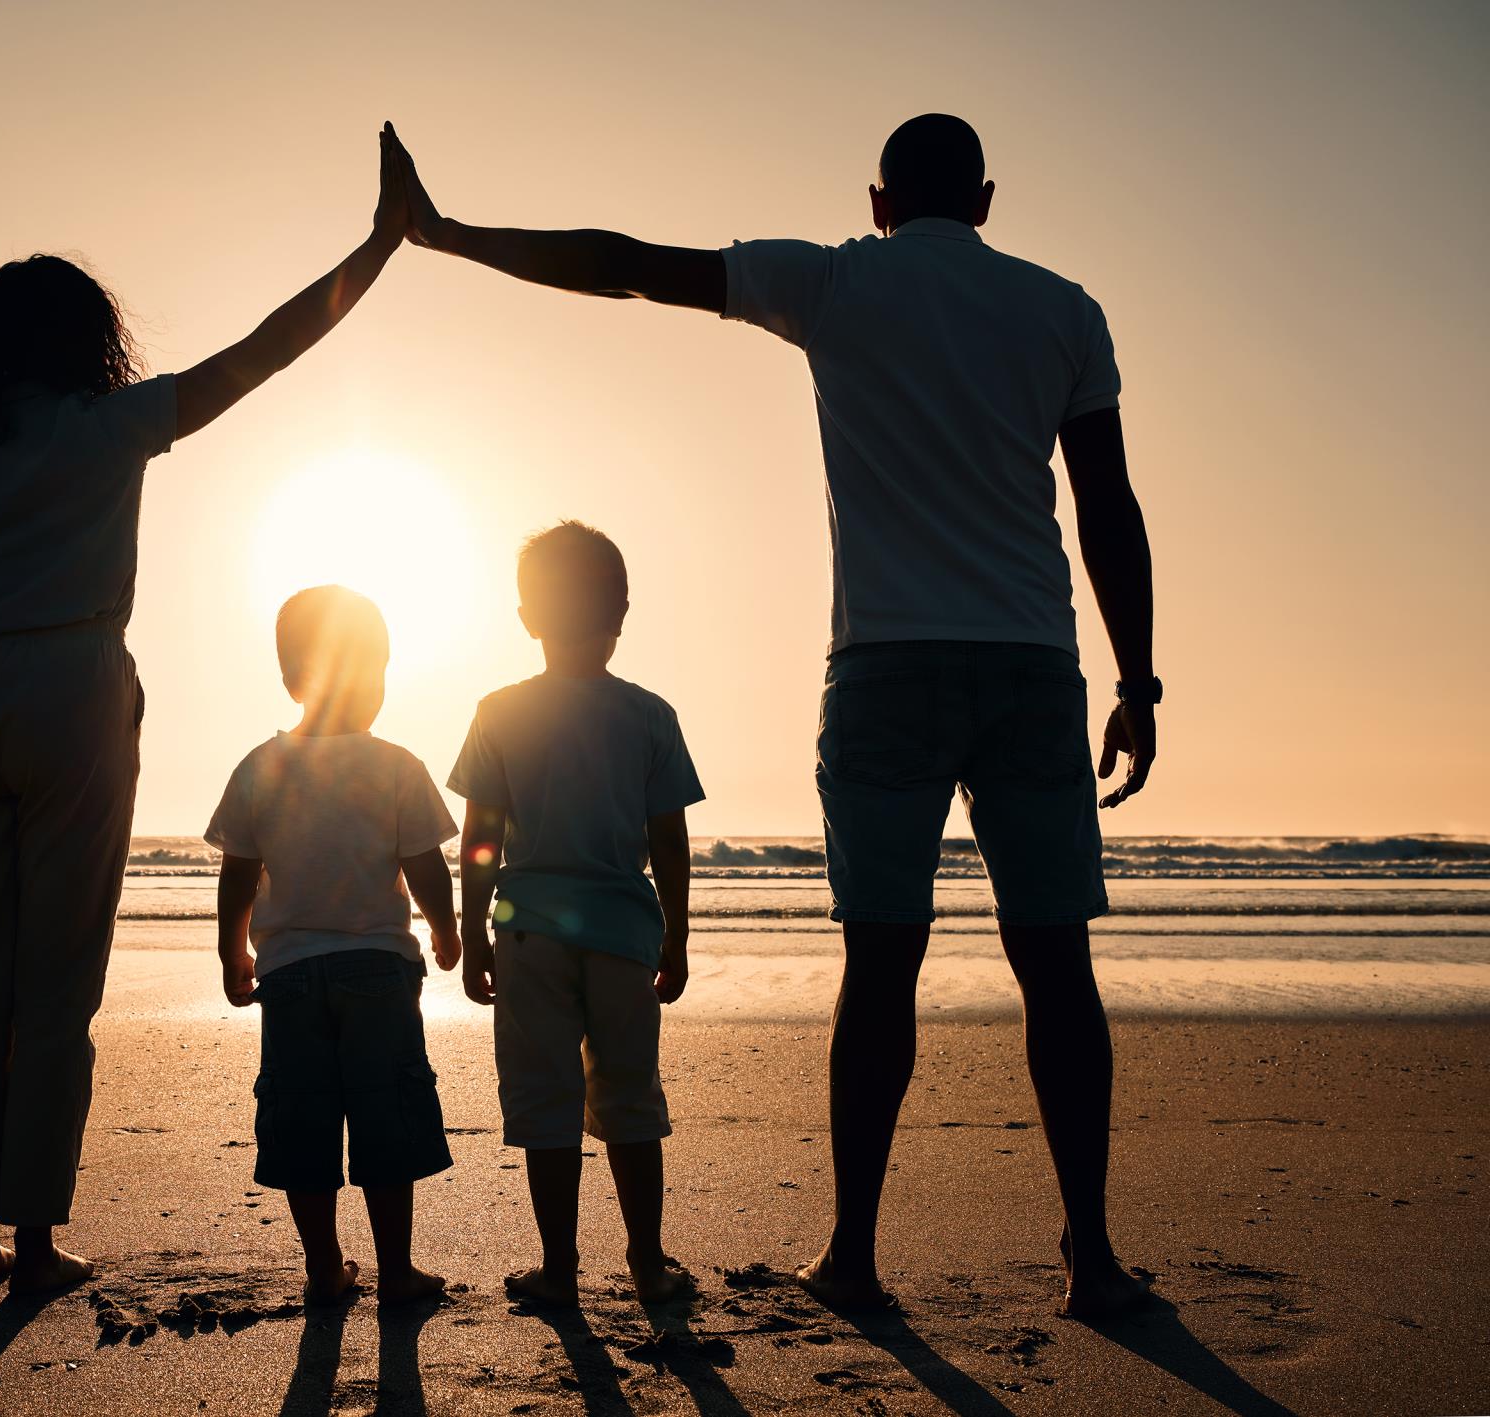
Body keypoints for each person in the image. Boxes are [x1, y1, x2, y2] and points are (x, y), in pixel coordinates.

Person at [388, 115, 1158, 1318]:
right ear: (990, 200)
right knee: (1056, 962)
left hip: (888, 667)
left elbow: (627, 260)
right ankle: (1094, 1256)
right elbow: (1109, 504)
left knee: (882, 962)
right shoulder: (1066, 306)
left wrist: (448, 234)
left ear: (879, 197)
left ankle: (854, 1251)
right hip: (1028, 662)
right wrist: (1139, 679)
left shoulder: (837, 277)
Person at [0, 124, 414, 1296]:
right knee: (58, 982)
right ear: (88, 341)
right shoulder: (111, 426)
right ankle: (29, 1242)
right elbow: (267, 349)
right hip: (72, 691)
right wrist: (378, 247)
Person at [450, 522, 703, 1307]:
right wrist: (679, 935)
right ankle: (647, 1261)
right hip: (624, 932)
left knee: (545, 1099)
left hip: (528, 931)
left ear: (528, 615)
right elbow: (669, 838)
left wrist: (471, 928)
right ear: (621, 610)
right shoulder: (649, 714)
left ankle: (560, 1268)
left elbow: (481, 837)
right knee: (630, 1095)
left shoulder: (500, 711)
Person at [206, 586, 460, 1305]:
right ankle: (397, 1270)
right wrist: (446, 928)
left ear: (291, 676)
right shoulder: (396, 764)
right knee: (386, 1114)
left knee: (303, 1118)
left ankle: (324, 1268)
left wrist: (233, 950)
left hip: (289, 975)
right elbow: (424, 864)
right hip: (378, 967)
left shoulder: (261, 764)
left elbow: (239, 870)